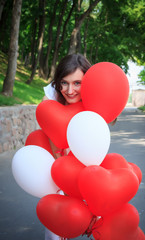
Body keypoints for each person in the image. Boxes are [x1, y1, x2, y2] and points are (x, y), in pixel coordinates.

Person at [42, 53, 92, 240]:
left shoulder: (94, 100)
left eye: (77, 83)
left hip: (83, 162)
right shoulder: (52, 97)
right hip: (55, 162)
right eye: (64, 82)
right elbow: (52, 141)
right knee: (56, 228)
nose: (70, 90)